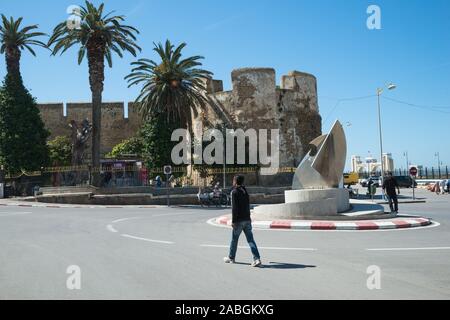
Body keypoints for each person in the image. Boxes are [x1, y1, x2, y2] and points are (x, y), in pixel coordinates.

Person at [224, 175, 261, 267]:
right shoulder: (245, 191)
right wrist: (249, 218)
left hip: (239, 221)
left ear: (235, 182)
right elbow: (248, 206)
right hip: (247, 220)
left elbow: (234, 208)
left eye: (233, 180)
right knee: (251, 240)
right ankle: (257, 259)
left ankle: (231, 257)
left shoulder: (234, 192)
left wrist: (233, 221)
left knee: (234, 239)